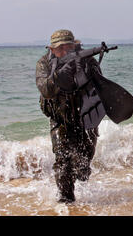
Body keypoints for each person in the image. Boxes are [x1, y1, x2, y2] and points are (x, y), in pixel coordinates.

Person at [36, 29, 101, 203]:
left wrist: (84, 69)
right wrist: (59, 75)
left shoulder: (86, 60)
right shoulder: (44, 64)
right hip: (60, 119)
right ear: (51, 49)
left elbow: (100, 86)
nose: (65, 52)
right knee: (62, 160)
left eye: (69, 47)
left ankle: (78, 177)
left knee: (83, 167)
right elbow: (45, 90)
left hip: (86, 117)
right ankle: (66, 200)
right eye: (60, 48)